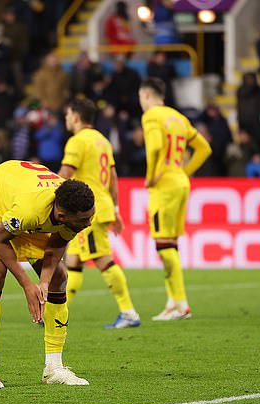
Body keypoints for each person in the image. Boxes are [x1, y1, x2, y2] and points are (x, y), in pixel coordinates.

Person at [0, 160, 95, 389]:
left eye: (90, 216)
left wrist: (43, 282)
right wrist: (28, 285)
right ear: (62, 215)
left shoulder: (74, 205)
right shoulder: (31, 209)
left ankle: (54, 368)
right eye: (84, 220)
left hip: (23, 204)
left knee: (58, 277)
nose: (89, 223)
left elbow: (57, 242)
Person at [58, 98, 140, 329]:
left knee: (103, 260)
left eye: (67, 114)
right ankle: (56, 312)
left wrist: (46, 195)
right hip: (98, 206)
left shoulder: (77, 142)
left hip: (86, 211)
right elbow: (113, 178)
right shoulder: (102, 141)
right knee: (73, 262)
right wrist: (115, 209)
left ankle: (129, 311)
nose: (66, 119)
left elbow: (65, 173)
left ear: (75, 116)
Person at [138, 77, 212, 320]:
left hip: (164, 186)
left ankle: (181, 304)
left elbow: (156, 146)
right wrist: (184, 172)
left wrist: (150, 176)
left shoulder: (151, 116)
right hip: (180, 182)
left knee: (163, 244)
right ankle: (173, 302)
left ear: (146, 96)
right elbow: (204, 148)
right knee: (170, 244)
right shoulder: (179, 117)